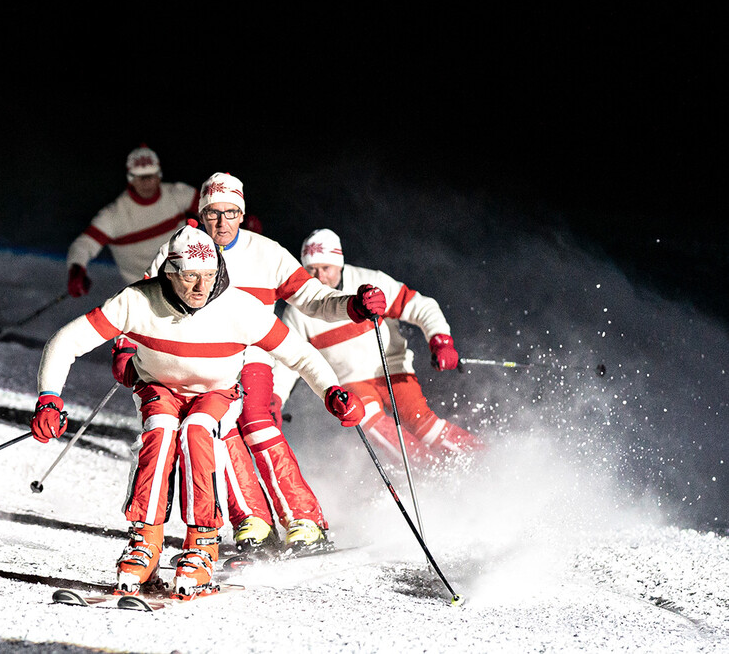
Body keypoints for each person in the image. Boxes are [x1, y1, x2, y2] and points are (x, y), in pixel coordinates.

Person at [30, 222, 370, 600]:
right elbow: (66, 341)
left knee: (197, 432)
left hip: (216, 390)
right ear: (170, 272)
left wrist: (333, 392)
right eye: (190, 276)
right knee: (159, 431)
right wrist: (49, 398)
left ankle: (201, 547)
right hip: (158, 387)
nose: (200, 287)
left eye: (209, 276)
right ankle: (145, 544)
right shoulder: (138, 300)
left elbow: (300, 354)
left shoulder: (240, 307)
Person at [143, 173, 388, 557]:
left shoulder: (267, 253)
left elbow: (313, 298)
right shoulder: (180, 249)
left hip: (253, 353)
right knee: (215, 429)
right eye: (212, 214)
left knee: (255, 420)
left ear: (242, 214)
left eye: (230, 213)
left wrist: (352, 306)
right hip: (198, 358)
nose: (221, 223)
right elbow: (140, 301)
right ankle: (252, 520)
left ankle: (303, 519)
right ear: (201, 214)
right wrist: (126, 350)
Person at [271, 228, 483, 465]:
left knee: (424, 426)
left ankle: (483, 458)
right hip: (351, 381)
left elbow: (421, 306)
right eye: (311, 269)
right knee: (379, 428)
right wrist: (274, 398)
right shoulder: (300, 309)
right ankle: (429, 471)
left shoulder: (369, 283)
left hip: (390, 369)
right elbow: (288, 359)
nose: (319, 277)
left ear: (339, 264)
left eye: (326, 268)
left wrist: (441, 342)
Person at [64, 145, 199, 298]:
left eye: (151, 176)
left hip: (188, 278)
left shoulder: (178, 194)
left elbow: (211, 207)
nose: (147, 183)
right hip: (145, 292)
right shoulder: (114, 216)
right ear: (130, 178)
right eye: (141, 177)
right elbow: (84, 244)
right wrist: (77, 269)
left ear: (159, 175)